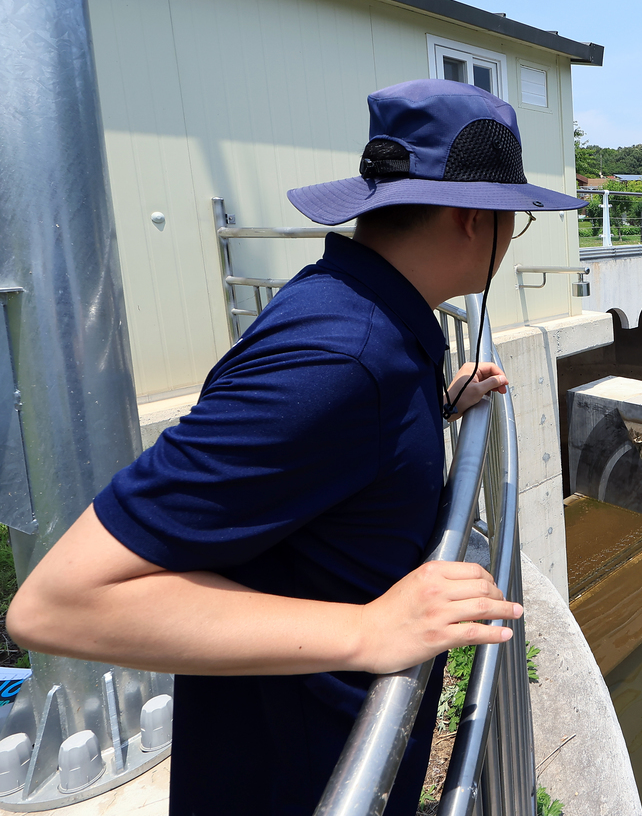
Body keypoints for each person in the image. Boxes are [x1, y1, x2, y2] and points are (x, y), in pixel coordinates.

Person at [7, 80, 586, 814]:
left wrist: (434, 406)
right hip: (301, 785)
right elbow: (58, 604)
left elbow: (319, 468)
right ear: (474, 218)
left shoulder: (372, 321)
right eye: (515, 219)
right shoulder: (341, 359)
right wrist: (368, 629)